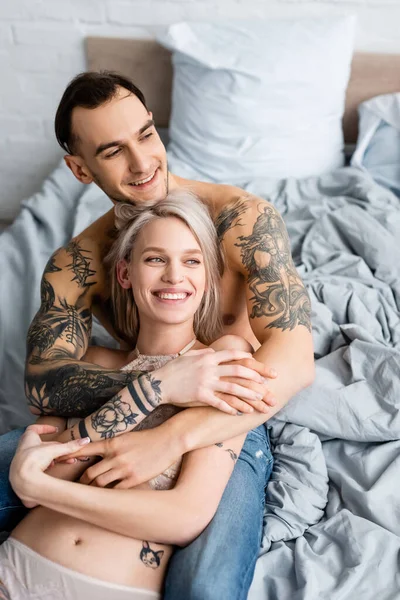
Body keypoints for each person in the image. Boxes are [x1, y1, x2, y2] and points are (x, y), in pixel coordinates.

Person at [0, 71, 314, 599]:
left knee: (206, 587)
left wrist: (170, 437)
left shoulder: (241, 220)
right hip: (131, 393)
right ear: (80, 169)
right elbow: (43, 385)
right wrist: (161, 384)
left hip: (229, 415)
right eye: (114, 150)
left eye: (147, 135)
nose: (143, 163)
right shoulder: (76, 265)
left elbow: (295, 364)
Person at [0, 193, 274, 599]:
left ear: (208, 278)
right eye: (155, 259)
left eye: (191, 260)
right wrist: (150, 391)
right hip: (13, 569)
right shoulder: (91, 362)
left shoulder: (220, 361)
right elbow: (42, 470)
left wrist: (43, 489)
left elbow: (185, 515)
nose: (174, 276)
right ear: (126, 274)